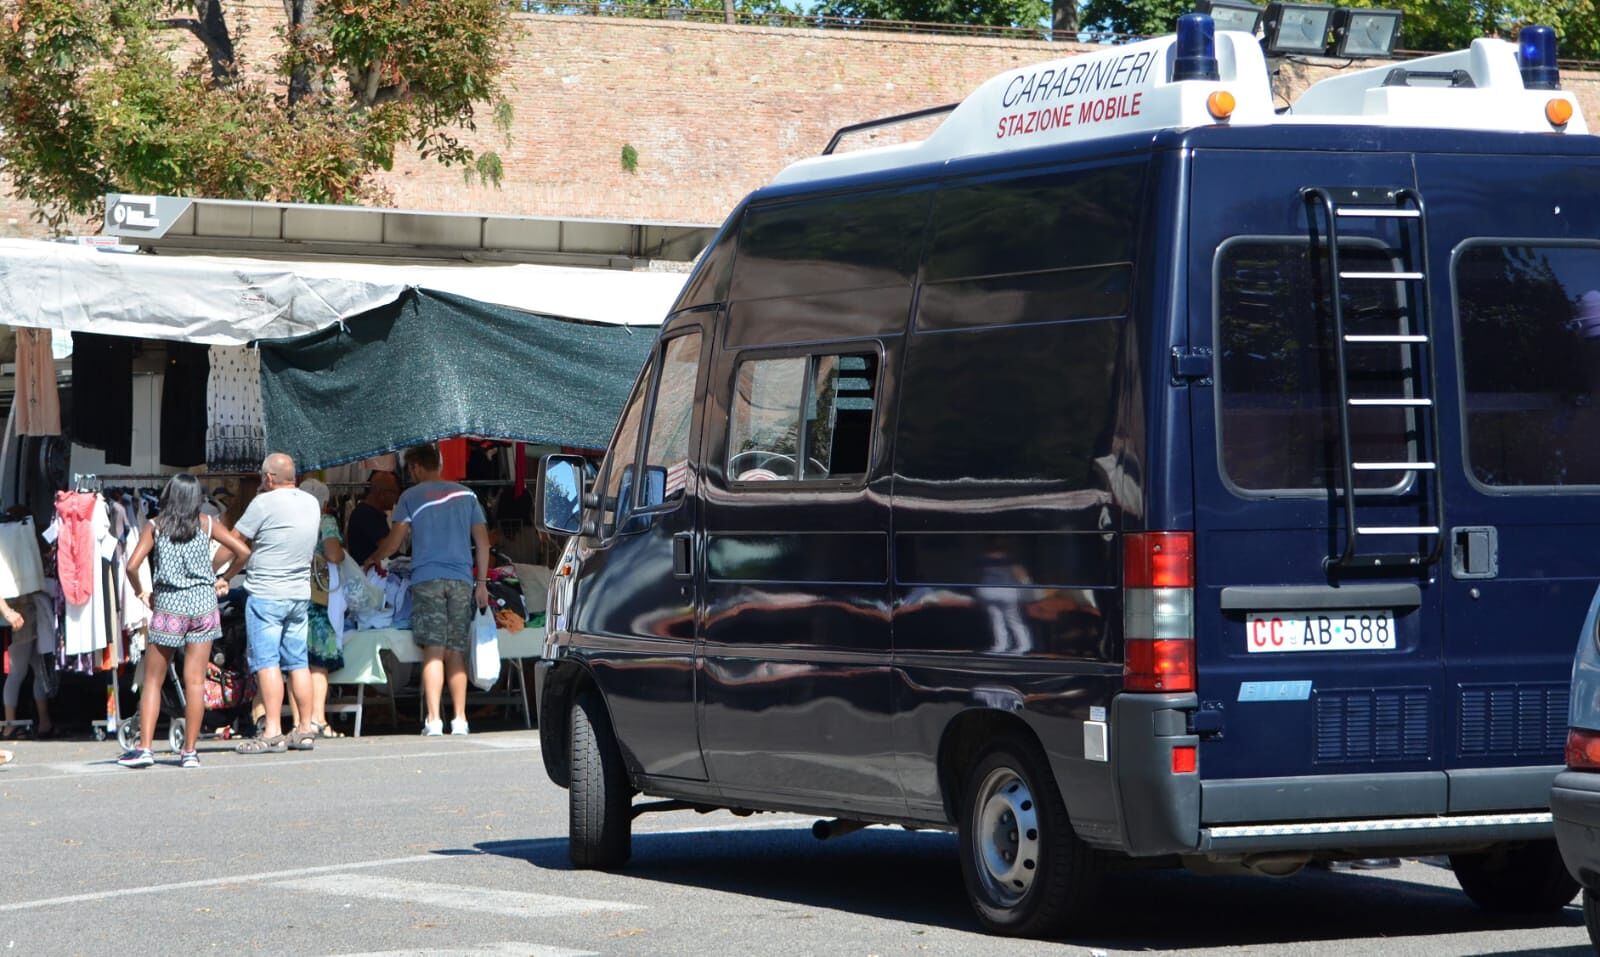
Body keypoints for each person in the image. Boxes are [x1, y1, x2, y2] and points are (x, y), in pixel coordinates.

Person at [117, 474, 252, 769]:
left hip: (170, 605)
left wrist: (143, 591)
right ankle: (190, 751)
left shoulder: (156, 526)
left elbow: (132, 565)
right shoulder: (206, 524)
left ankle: (145, 749)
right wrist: (224, 579)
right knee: (195, 680)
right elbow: (243, 551)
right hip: (204, 605)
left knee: (153, 679)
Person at [364, 443, 490, 736]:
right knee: (456, 650)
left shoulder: (411, 496)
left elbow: (394, 545)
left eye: (410, 469)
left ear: (417, 467)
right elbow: (483, 543)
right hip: (461, 580)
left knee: (433, 652)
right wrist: (481, 583)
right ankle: (460, 719)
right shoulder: (466, 495)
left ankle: (433, 720)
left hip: (427, 580)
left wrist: (373, 557)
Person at [233, 452, 321, 754]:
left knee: (267, 662)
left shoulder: (263, 503)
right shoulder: (311, 502)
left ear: (269, 478)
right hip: (298, 594)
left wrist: (217, 571)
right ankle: (305, 728)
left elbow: (235, 541)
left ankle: (272, 730)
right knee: (298, 663)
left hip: (266, 593)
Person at [301, 478, 346, 739]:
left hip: (292, 592)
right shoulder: (325, 521)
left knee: (297, 662)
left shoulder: (291, 518)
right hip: (318, 598)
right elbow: (333, 554)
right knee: (318, 662)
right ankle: (318, 718)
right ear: (325, 503)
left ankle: (301, 721)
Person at [0, 593, 53, 740]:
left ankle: (44, 721)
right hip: (19, 611)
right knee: (18, 672)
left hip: (32, 609)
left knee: (38, 670)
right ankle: (10, 725)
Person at [345, 470, 399, 565]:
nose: (396, 497)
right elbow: (387, 547)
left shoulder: (371, 513)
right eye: (394, 492)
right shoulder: (366, 514)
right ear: (382, 494)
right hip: (369, 576)